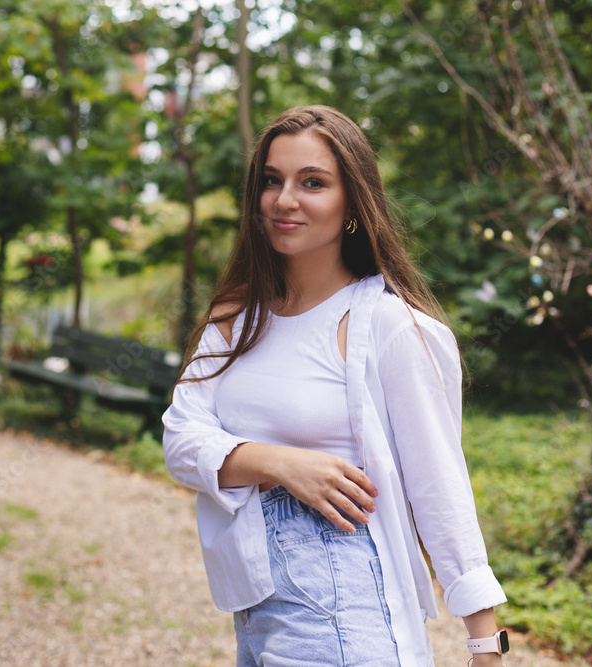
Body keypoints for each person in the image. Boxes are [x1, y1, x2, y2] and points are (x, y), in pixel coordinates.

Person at [162, 105, 508, 667]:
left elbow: (439, 482)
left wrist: (483, 640)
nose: (284, 200)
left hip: (345, 605)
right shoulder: (237, 318)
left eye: (313, 182)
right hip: (258, 607)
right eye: (271, 181)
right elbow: (180, 441)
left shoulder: (388, 325)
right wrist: (279, 463)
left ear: (352, 204)